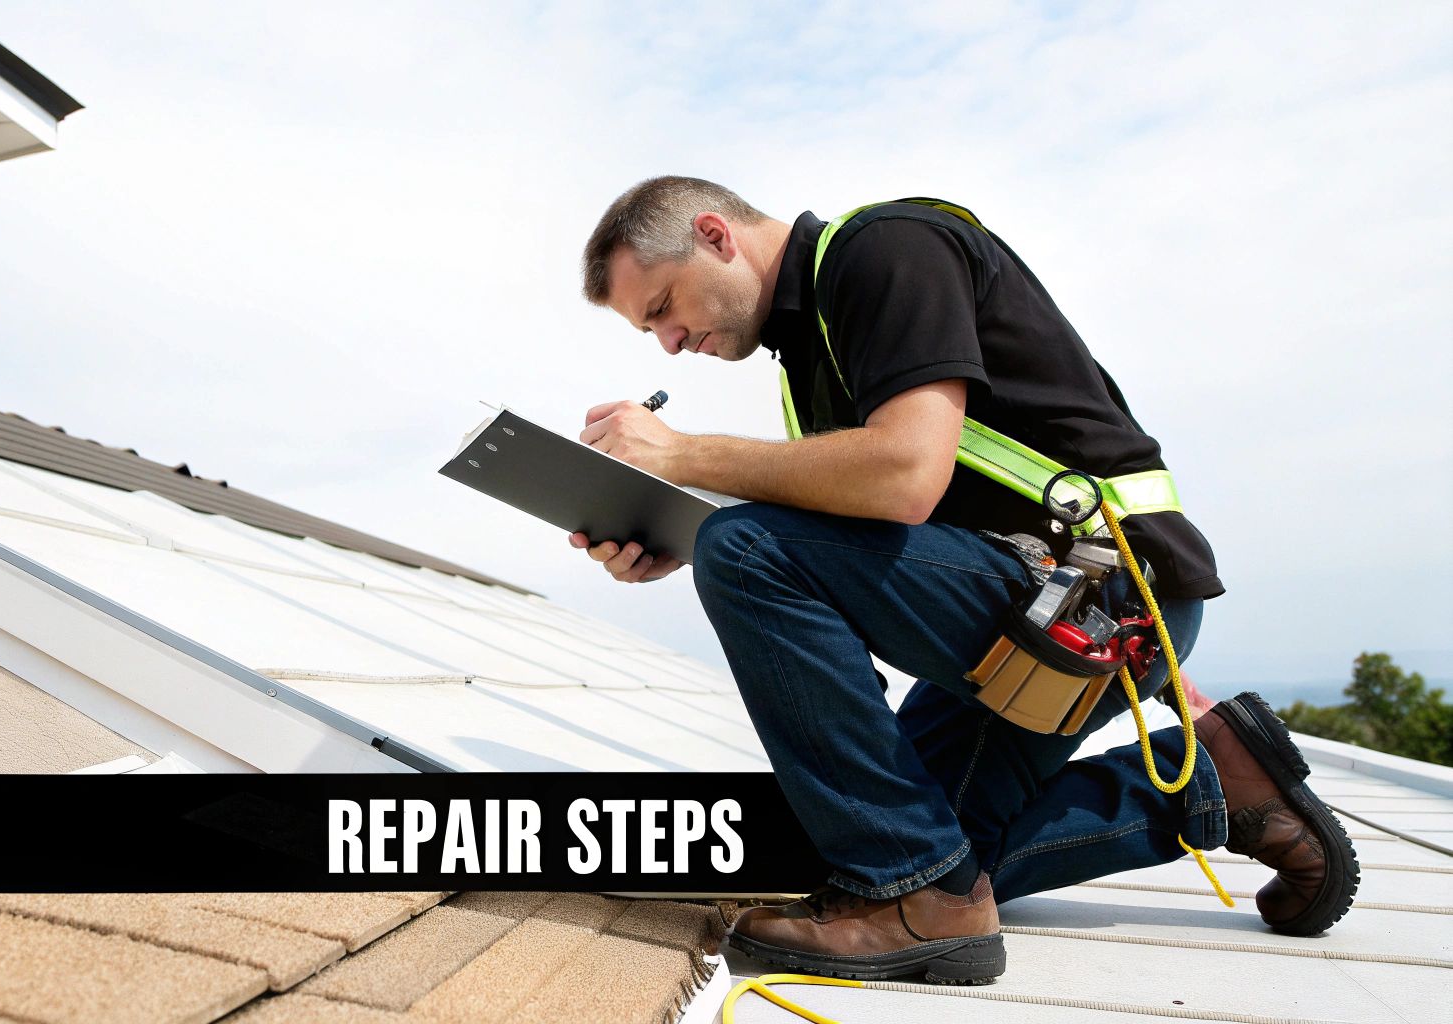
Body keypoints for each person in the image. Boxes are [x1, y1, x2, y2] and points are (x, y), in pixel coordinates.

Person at [571, 176, 1359, 984]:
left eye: (663, 307)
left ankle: (911, 899)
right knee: (930, 852)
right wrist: (681, 534)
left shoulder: (886, 251)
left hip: (1095, 598)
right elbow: (851, 527)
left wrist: (685, 458)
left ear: (715, 234)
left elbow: (905, 474)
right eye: (650, 330)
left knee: (752, 566)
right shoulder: (810, 352)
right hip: (1033, 615)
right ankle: (1218, 783)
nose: (669, 342)